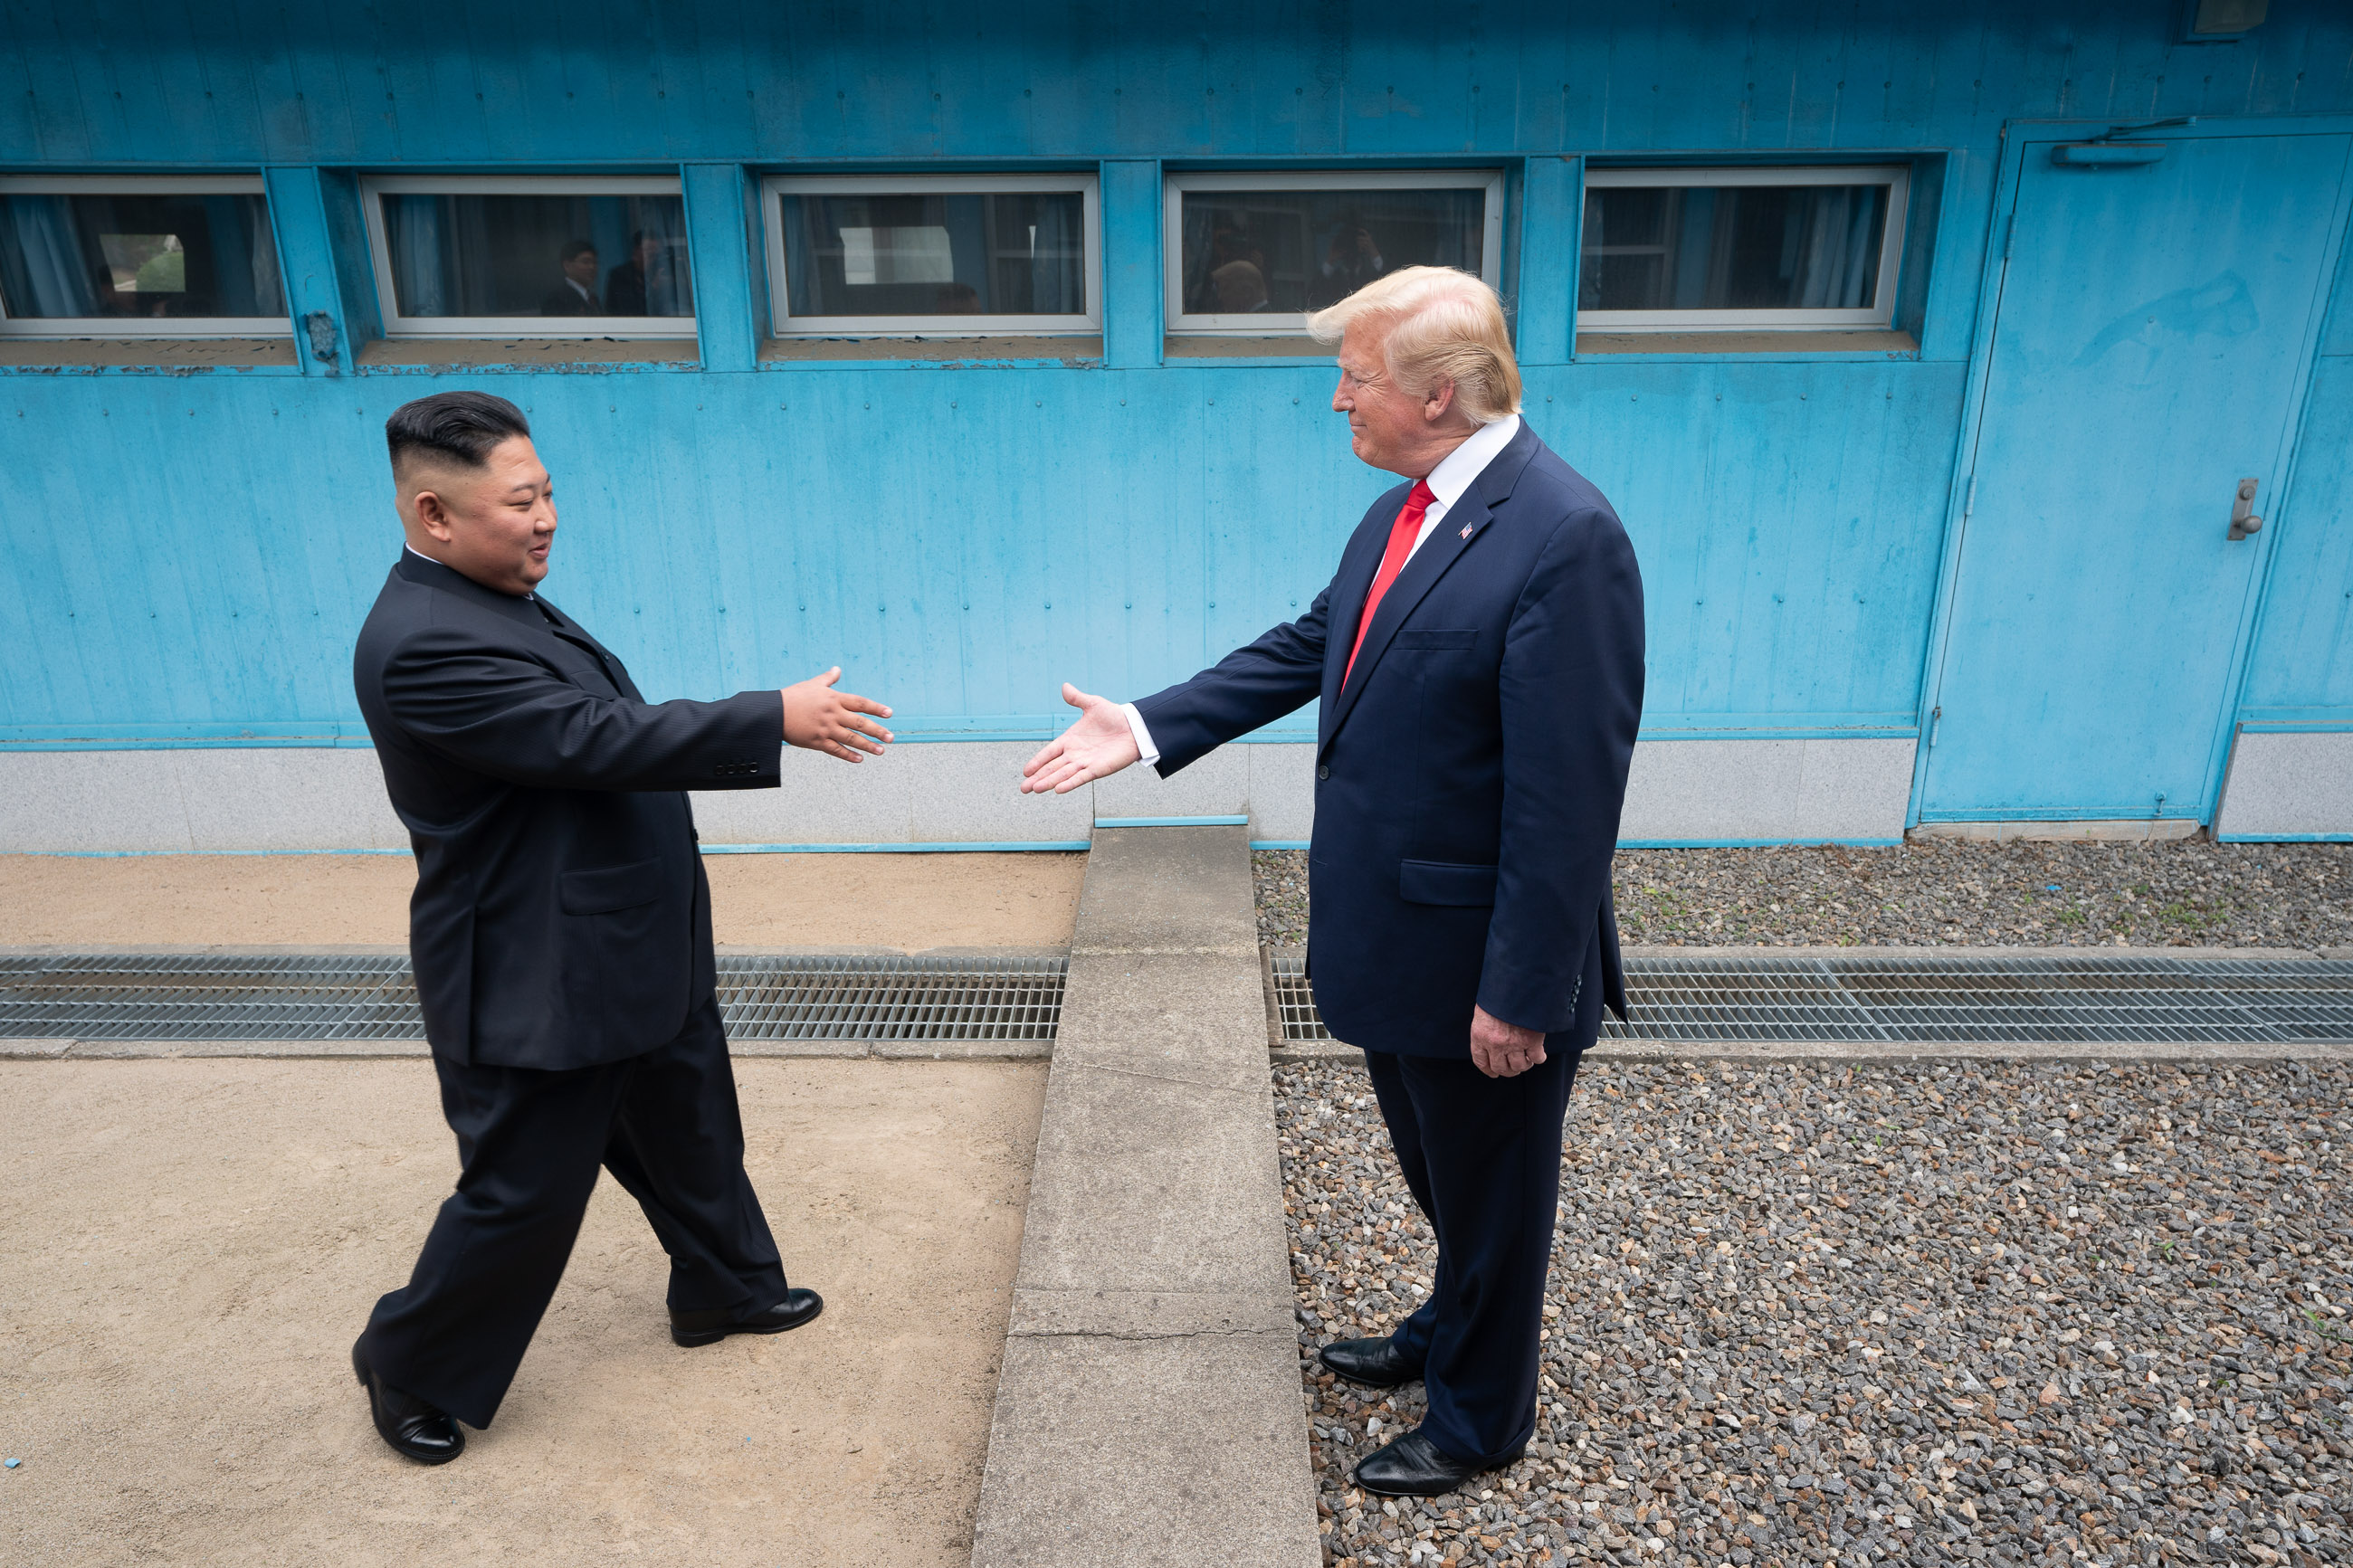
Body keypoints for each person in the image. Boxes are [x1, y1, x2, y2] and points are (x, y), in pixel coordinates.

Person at [1019, 266, 1643, 1497]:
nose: (1337, 399)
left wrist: (1522, 991)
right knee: (1440, 1172)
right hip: (1401, 942)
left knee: (1496, 1193)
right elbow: (1319, 641)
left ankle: (1479, 1418)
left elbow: (1571, 800)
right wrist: (1148, 725)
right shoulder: (1412, 503)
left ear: (1446, 394)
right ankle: (1444, 1327)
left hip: (1481, 961)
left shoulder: (1567, 537)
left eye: (1356, 378)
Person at [348, 390, 895, 1465]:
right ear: (434, 515)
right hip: (534, 966)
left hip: (625, 934)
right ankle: (406, 1361)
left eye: (548, 489)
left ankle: (724, 1287)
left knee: (688, 1128)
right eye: (520, 501)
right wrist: (765, 717)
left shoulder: (496, 593)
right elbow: (585, 737)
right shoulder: (422, 641)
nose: (546, 516)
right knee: (522, 1193)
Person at [604, 230, 665, 316]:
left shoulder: (662, 273)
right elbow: (629, 311)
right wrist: (653, 288)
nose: (654, 258)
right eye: (650, 252)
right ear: (636, 251)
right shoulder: (620, 275)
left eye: (657, 254)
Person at [538, 239, 600, 316]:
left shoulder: (593, 299)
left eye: (595, 263)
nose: (592, 267)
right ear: (567, 265)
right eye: (585, 262)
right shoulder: (557, 299)